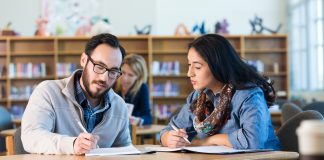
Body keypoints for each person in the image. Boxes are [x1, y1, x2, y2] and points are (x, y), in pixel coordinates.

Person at [160, 34, 281, 150]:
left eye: (197, 67)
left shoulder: (248, 94)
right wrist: (169, 138)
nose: (189, 73)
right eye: (189, 65)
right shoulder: (198, 97)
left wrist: (209, 141)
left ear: (217, 65)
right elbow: (169, 130)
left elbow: (253, 141)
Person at [21, 33, 131, 155]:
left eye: (113, 71)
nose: (104, 78)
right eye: (99, 66)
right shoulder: (48, 92)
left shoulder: (119, 106)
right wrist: (72, 145)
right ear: (84, 60)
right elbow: (31, 137)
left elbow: (124, 151)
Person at [115, 54, 152, 125]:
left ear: (139, 77)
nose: (125, 78)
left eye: (130, 75)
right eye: (123, 72)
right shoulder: (113, 84)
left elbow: (148, 117)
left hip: (134, 131)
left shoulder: (142, 88)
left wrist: (137, 120)